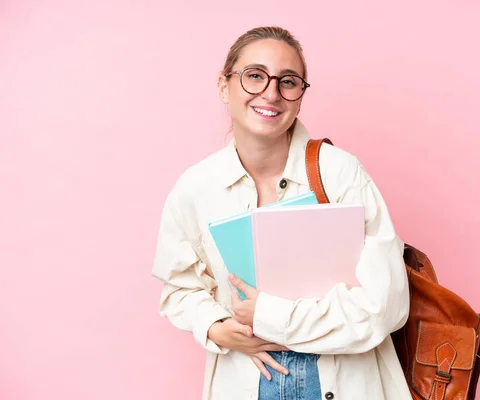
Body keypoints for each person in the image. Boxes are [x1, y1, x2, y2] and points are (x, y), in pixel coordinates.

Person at [151, 26, 412, 400]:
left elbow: (385, 306)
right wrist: (214, 326)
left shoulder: (339, 172)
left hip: (346, 379)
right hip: (246, 379)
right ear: (225, 86)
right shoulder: (195, 187)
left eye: (288, 81)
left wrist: (273, 319)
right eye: (254, 76)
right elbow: (178, 288)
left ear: (300, 96)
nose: (271, 93)